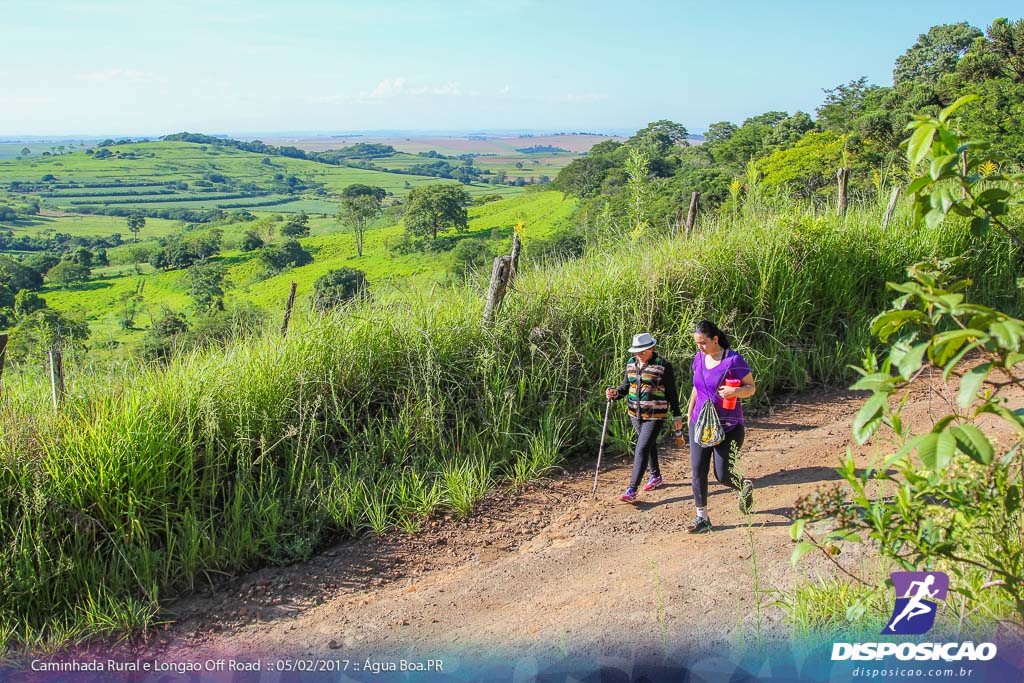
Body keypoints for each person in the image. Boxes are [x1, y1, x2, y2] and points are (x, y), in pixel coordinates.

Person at [686, 320, 756, 533]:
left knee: (722, 474)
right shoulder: (699, 358)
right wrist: (689, 414)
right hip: (701, 422)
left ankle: (743, 486)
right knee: (698, 470)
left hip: (728, 425)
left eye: (703, 343)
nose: (700, 347)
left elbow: (751, 388)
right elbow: (696, 387)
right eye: (697, 343)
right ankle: (702, 518)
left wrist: (735, 392)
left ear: (715, 339)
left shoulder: (734, 360)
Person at [605, 333, 683, 503]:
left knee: (641, 448)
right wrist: (615, 393)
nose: (639, 354)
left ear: (651, 348)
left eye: (642, 351)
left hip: (655, 415)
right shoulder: (631, 363)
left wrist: (677, 415)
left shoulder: (663, 366)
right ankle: (655, 476)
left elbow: (671, 393)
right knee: (647, 445)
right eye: (636, 351)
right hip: (635, 414)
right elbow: (625, 387)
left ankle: (632, 489)